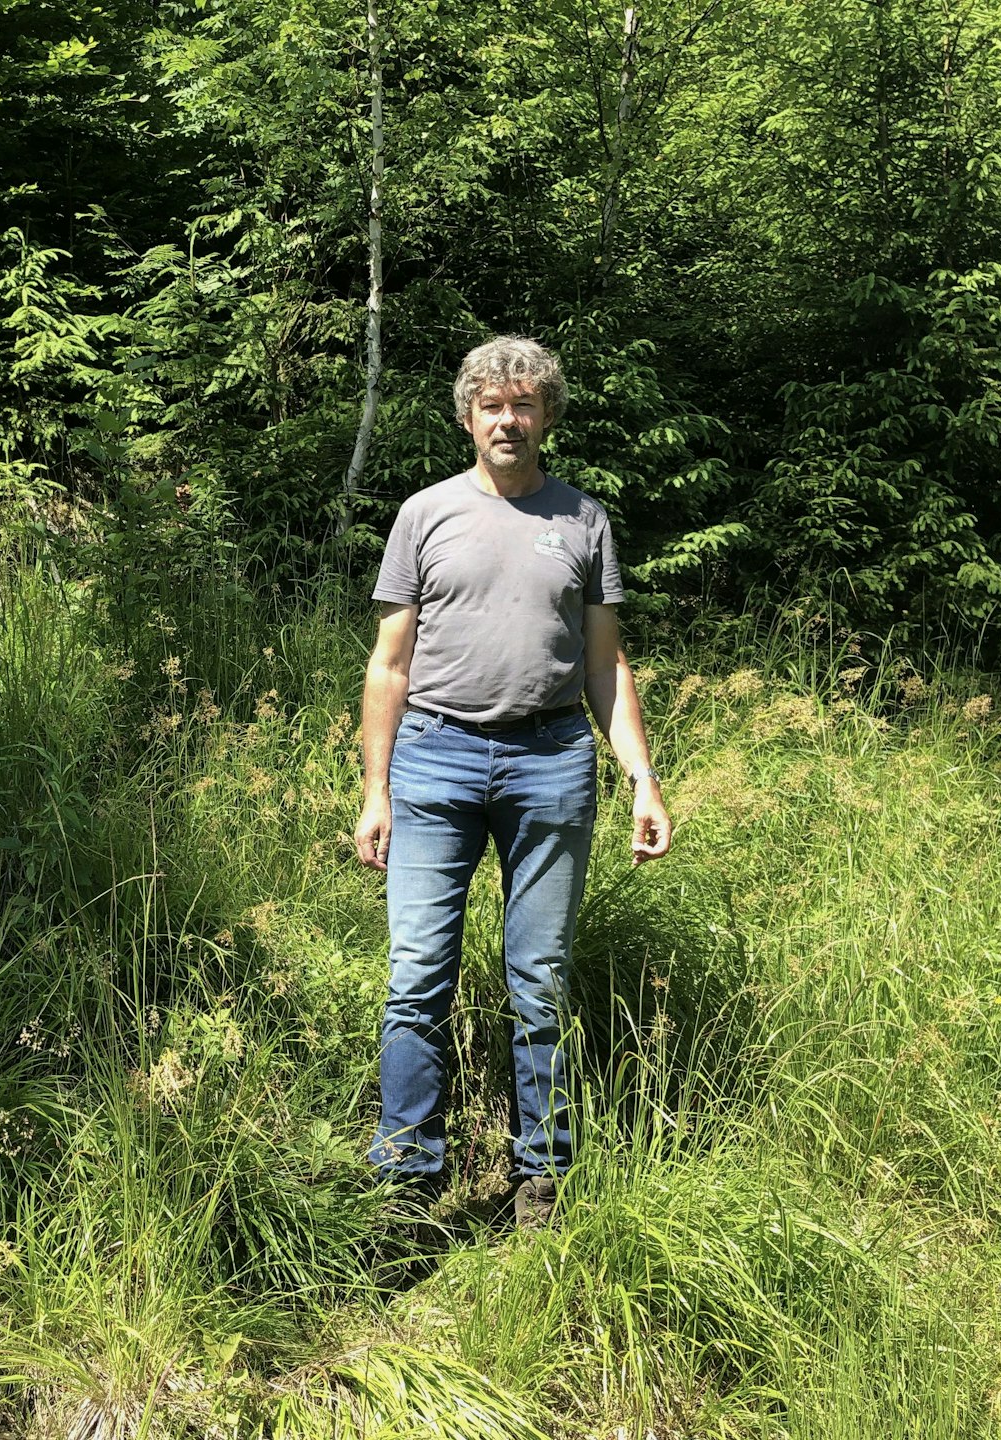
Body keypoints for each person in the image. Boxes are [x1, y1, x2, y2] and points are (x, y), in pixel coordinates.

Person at [353, 335, 671, 1227]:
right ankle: (407, 1183)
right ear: (468, 417)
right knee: (418, 975)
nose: (508, 419)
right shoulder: (424, 514)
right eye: (492, 405)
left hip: (552, 763)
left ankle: (543, 1180)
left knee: (541, 978)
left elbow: (606, 668)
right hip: (435, 760)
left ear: (547, 418)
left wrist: (642, 778)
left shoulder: (584, 521)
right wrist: (376, 792)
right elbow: (389, 666)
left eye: (524, 405)